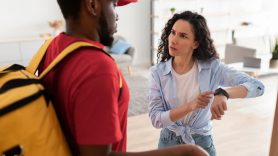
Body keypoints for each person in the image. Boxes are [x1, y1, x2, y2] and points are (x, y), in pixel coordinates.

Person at [38, 0, 209, 156]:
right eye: (113, 4)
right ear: (92, 5)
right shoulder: (97, 67)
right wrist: (188, 152)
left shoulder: (51, 48)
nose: (117, 15)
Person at [148, 10, 265, 156]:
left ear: (195, 43)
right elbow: (156, 119)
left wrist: (223, 93)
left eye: (183, 36)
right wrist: (191, 106)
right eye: (173, 32)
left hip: (202, 142)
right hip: (168, 143)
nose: (173, 40)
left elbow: (258, 86)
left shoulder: (212, 68)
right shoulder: (157, 73)